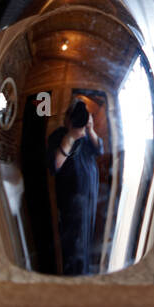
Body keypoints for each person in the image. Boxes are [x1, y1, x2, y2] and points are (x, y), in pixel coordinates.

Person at [46, 99, 103, 275]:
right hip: (72, 201)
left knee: (85, 239)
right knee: (72, 241)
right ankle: (70, 275)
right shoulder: (59, 135)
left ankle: (83, 271)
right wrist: (70, 136)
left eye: (83, 116)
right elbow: (55, 165)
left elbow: (99, 150)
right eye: (75, 115)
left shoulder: (87, 136)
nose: (80, 119)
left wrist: (90, 129)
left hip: (89, 199)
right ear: (67, 118)